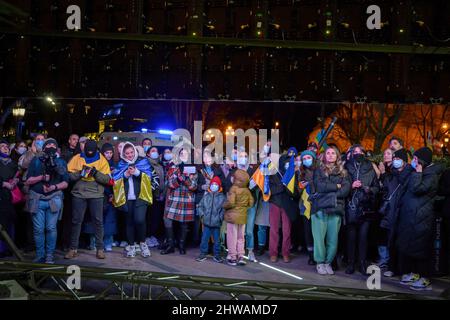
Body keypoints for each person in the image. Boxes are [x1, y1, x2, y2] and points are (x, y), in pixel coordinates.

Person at [396, 147, 444, 291]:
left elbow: (417, 189)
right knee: (412, 246)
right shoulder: (416, 171)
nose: (413, 161)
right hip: (411, 216)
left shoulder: (431, 175)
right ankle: (415, 274)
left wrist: (417, 173)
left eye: (415, 158)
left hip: (422, 216)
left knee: (421, 248)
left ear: (422, 161)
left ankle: (425, 278)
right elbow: (402, 180)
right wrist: (411, 169)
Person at [65, 140, 112, 260]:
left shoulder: (102, 159)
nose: (89, 153)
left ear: (96, 149)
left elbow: (107, 179)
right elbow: (68, 176)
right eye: (87, 151)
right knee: (76, 221)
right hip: (79, 193)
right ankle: (73, 248)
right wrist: (80, 173)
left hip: (96, 194)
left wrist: (95, 173)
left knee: (98, 222)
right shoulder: (77, 158)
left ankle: (100, 249)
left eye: (92, 151)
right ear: (84, 149)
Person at [25, 138, 69, 263]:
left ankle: (49, 255)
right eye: (48, 144)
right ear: (43, 148)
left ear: (57, 148)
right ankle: (40, 255)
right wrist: (41, 177)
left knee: (51, 228)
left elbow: (65, 183)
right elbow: (28, 181)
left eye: (53, 144)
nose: (51, 146)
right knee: (38, 229)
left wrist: (54, 187)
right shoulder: (36, 161)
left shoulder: (61, 162)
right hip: (37, 199)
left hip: (54, 199)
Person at [113, 142, 159, 258]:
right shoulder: (121, 165)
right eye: (127, 153)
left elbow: (150, 178)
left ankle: (143, 244)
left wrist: (137, 173)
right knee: (129, 222)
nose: (129, 155)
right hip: (127, 198)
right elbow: (115, 180)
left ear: (135, 151)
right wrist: (126, 174)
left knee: (139, 220)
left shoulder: (143, 162)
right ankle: (132, 246)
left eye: (131, 152)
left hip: (141, 197)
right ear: (123, 154)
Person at [311, 146, 351, 275]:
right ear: (324, 156)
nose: (330, 155)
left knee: (333, 240)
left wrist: (331, 192)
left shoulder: (343, 172)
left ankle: (328, 262)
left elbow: (345, 190)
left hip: (336, 209)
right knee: (319, 239)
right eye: (328, 153)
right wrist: (336, 186)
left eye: (333, 153)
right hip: (319, 208)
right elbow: (320, 186)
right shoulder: (319, 170)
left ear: (337, 156)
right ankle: (320, 262)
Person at [344, 145, 380, 275]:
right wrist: (351, 185)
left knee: (363, 238)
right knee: (351, 238)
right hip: (351, 207)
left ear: (364, 154)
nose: (357, 153)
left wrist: (368, 189)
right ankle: (350, 263)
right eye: (355, 151)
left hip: (366, 208)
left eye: (360, 151)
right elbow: (342, 185)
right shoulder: (346, 167)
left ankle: (362, 264)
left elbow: (377, 187)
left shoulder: (370, 168)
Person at [377, 148, 413, 277]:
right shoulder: (391, 173)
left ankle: (402, 269)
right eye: (395, 159)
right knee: (391, 240)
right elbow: (386, 189)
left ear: (404, 161)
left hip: (403, 211)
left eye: (398, 159)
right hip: (391, 211)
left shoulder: (409, 173)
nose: (396, 161)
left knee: (401, 241)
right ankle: (392, 267)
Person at [161, 148, 198, 255]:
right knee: (167, 220)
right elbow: (170, 184)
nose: (183, 155)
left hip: (187, 200)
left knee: (184, 223)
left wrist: (186, 179)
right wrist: (179, 179)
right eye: (181, 153)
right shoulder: (173, 167)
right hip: (174, 198)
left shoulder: (193, 169)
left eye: (186, 154)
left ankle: (182, 245)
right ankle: (170, 245)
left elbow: (194, 186)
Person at [82, 143, 118, 252]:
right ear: (102, 153)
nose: (109, 155)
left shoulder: (115, 165)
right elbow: (92, 178)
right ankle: (94, 243)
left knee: (109, 221)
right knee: (96, 220)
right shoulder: (97, 162)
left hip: (110, 197)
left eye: (111, 152)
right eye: (107, 152)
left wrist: (113, 194)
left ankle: (108, 242)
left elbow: (116, 182)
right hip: (98, 194)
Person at [268, 147, 299, 263]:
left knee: (287, 230)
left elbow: (295, 191)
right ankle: (273, 253)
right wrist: (282, 186)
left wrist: (288, 188)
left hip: (287, 203)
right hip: (275, 201)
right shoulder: (272, 171)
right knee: (274, 230)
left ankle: (286, 252)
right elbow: (269, 188)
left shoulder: (292, 171)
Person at [223, 169, 254, 266]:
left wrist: (224, 205)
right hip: (243, 216)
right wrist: (243, 208)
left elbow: (230, 203)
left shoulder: (233, 189)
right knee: (241, 237)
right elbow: (251, 203)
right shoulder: (247, 190)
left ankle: (232, 257)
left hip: (232, 217)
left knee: (232, 236)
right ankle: (241, 256)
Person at [194, 152, 225, 246]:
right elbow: (194, 184)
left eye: (209, 157)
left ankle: (212, 244)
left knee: (212, 222)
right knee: (200, 221)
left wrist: (215, 187)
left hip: (214, 200)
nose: (207, 159)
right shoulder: (198, 170)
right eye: (205, 157)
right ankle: (199, 242)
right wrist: (201, 187)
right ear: (202, 159)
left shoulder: (218, 170)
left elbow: (223, 184)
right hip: (201, 198)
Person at [196, 176, 226, 263]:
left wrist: (220, 218)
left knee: (217, 241)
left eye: (216, 184)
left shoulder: (222, 197)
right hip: (206, 223)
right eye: (212, 184)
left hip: (216, 224)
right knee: (204, 239)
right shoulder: (206, 196)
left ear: (219, 186)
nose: (214, 186)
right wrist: (202, 215)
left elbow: (223, 209)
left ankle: (217, 255)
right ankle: (202, 254)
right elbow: (200, 206)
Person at [296, 150, 317, 265]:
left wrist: (311, 184)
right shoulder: (301, 172)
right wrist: (300, 186)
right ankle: (311, 255)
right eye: (304, 159)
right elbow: (297, 190)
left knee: (317, 231)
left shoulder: (319, 171)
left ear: (313, 158)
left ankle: (318, 254)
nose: (306, 160)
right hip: (305, 205)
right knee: (308, 231)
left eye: (308, 157)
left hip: (317, 204)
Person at [0, 140, 19, 258]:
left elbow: (18, 177)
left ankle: (10, 247)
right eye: (2, 146)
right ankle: (1, 249)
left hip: (10, 197)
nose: (5, 148)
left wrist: (16, 180)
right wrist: (3, 184)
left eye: (6, 147)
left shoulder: (13, 164)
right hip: (0, 195)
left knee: (10, 222)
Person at [145, 147, 165, 248]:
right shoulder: (146, 164)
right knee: (148, 217)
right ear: (148, 154)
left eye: (156, 151)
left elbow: (162, 181)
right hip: (149, 195)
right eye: (152, 151)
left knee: (155, 218)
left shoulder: (160, 166)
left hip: (158, 196)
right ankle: (146, 236)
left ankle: (152, 235)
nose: (155, 153)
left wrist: (162, 193)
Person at [438, 166, 450, 275]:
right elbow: (439, 190)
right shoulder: (447, 172)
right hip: (447, 213)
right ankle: (444, 268)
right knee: (445, 243)